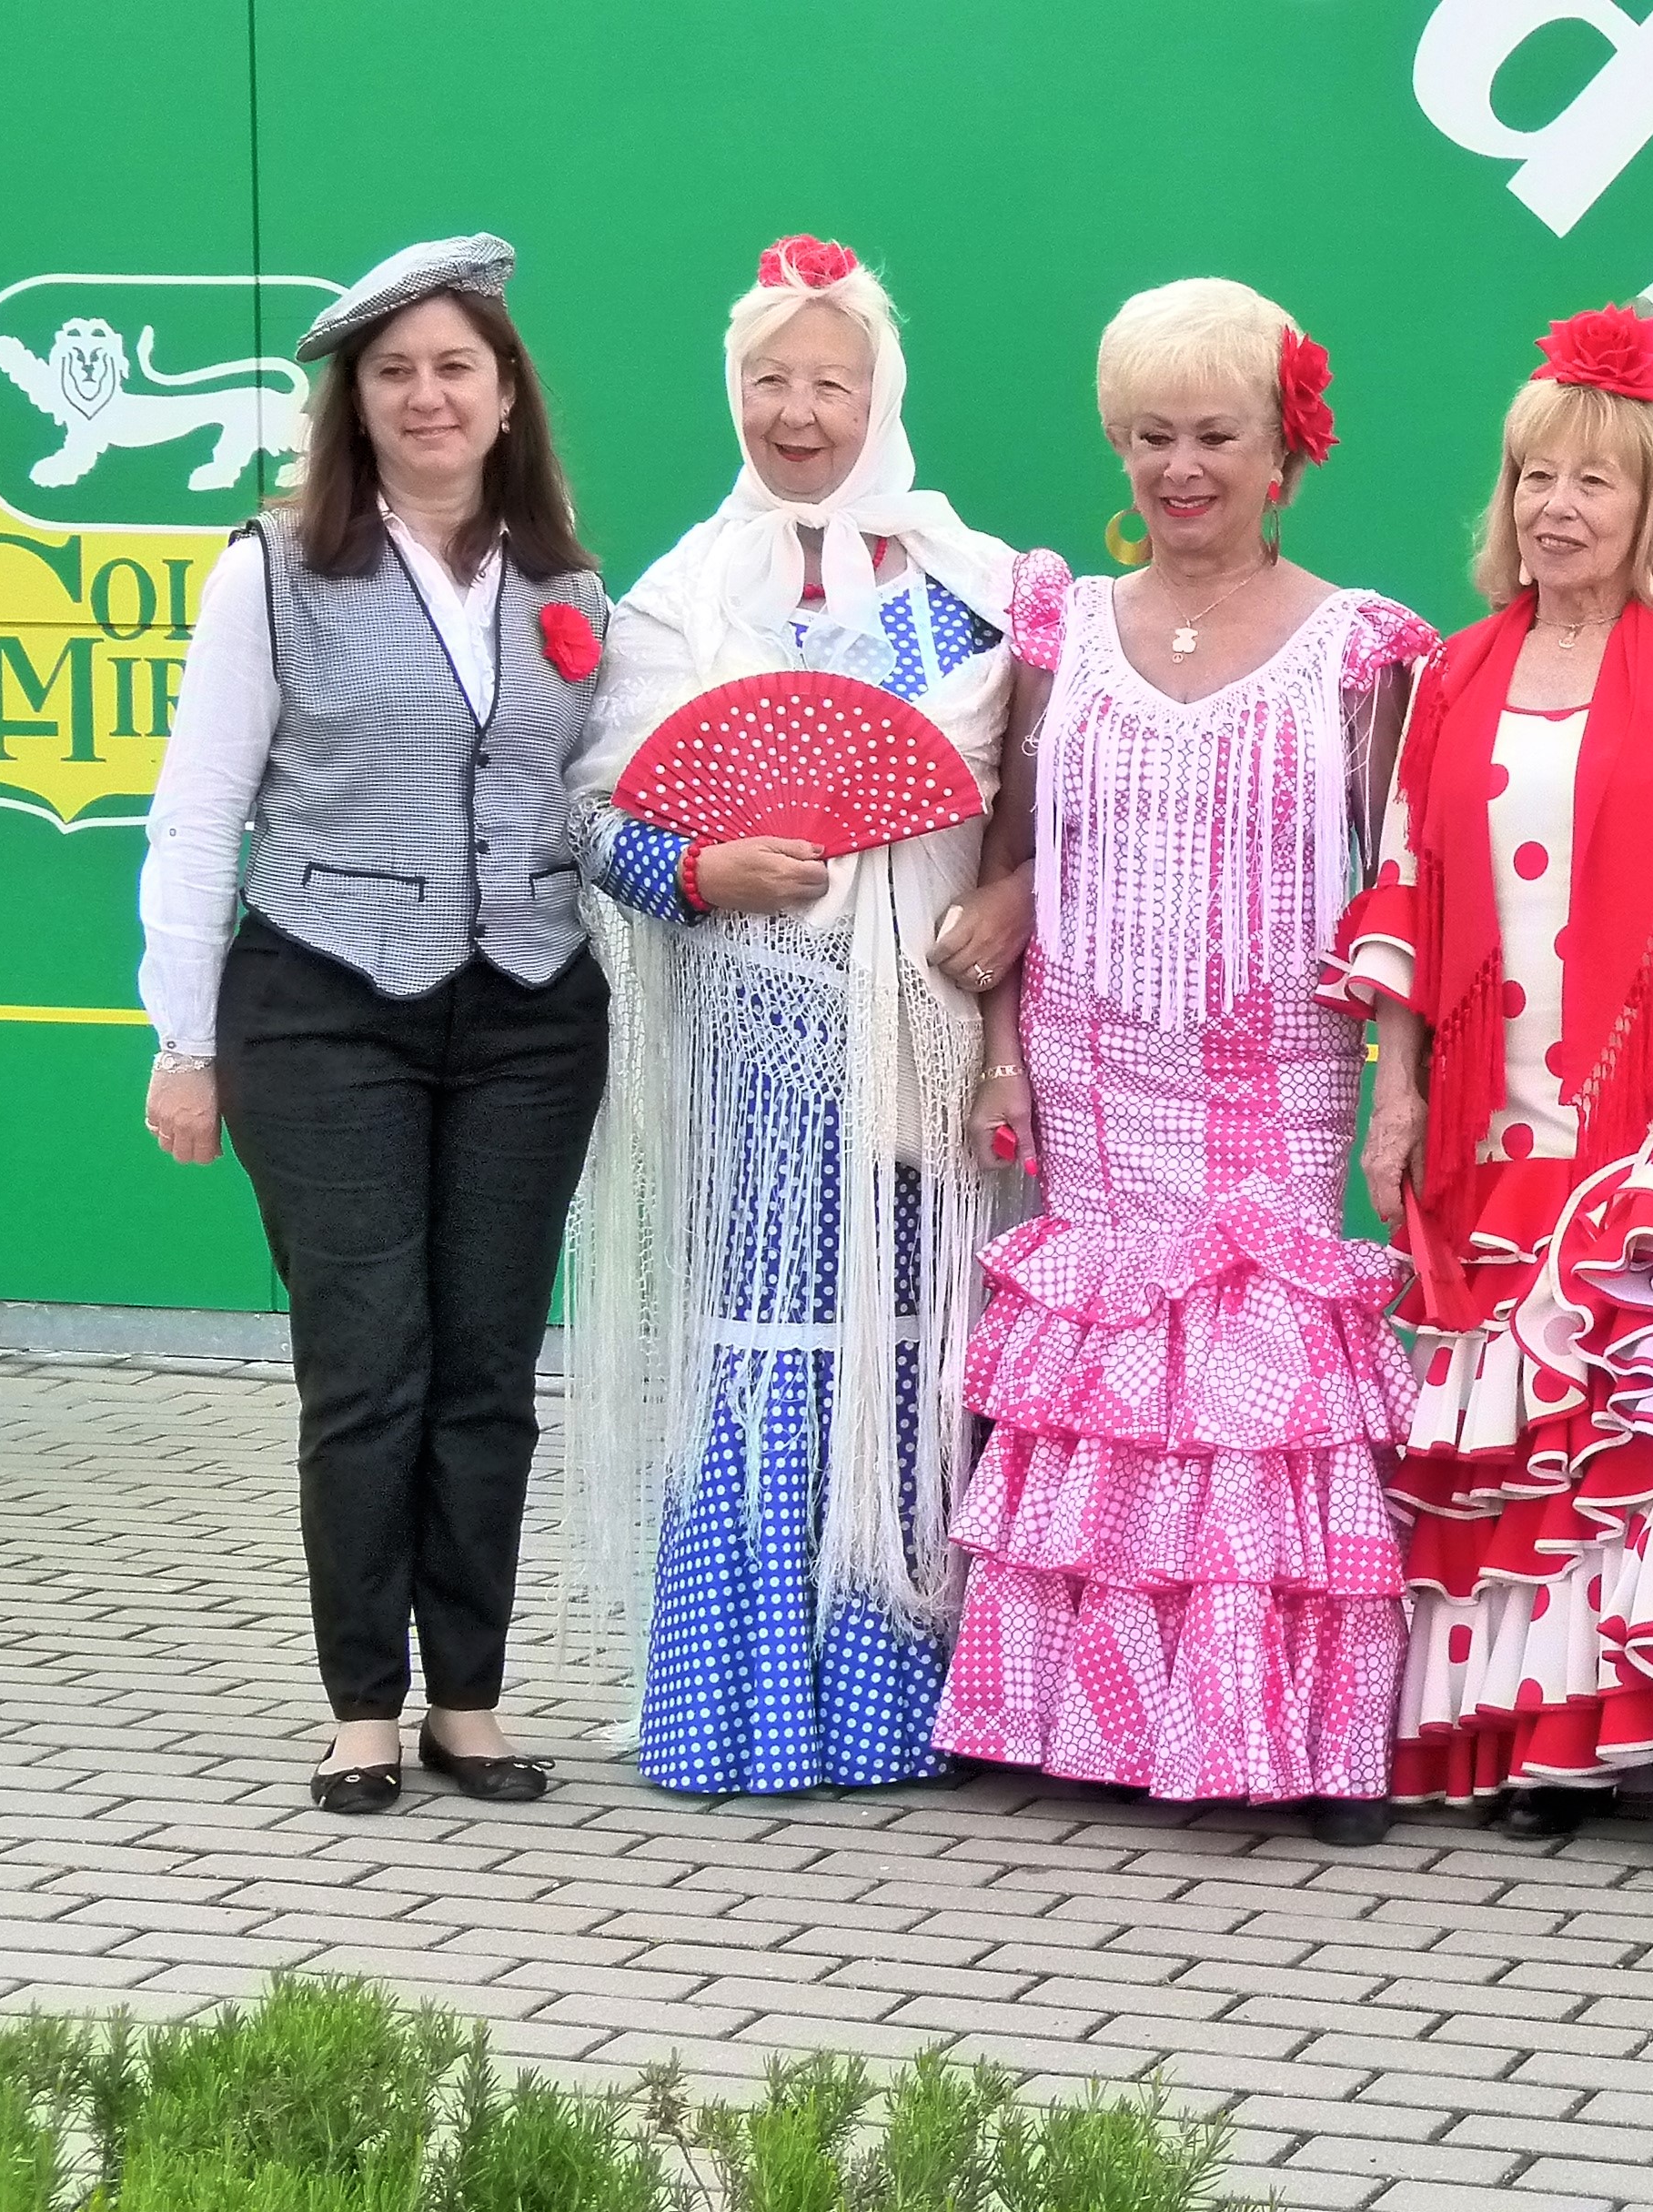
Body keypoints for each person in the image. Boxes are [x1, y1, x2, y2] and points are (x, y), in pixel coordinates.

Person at [1322, 304, 1653, 1886]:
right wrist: (1397, 1091)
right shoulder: (1451, 673)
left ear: (1652, 507)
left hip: (1649, 1114)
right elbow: (1406, 885)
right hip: (1488, 1114)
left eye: (1593, 482)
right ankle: (1554, 1743)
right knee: (1524, 1441)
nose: (1557, 507)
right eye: (1534, 477)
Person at [927, 281, 1436, 1845]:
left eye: (1216, 435)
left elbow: (1404, 891)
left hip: (1281, 1066)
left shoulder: (1362, 649)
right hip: (1090, 1057)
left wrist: (1401, 1086)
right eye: (1151, 436)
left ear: (1286, 453)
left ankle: (1297, 1734)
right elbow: (1009, 857)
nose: (1182, 467)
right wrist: (1002, 1057)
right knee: (1106, 1388)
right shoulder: (1061, 625)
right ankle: (1084, 1723)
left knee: (1262, 1397)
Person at [134, 235, 613, 1814]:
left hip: (529, 1009)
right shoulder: (272, 570)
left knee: (487, 1366)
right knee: (367, 1366)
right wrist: (185, 1043)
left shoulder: (567, 583)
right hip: (326, 1004)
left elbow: (589, 796)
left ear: (506, 394)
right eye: (394, 372)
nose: (426, 396)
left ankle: (468, 1697)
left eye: (455, 367)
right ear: (354, 402)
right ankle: (360, 1706)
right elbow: (200, 812)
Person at [563, 236, 1030, 1796]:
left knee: (916, 1338)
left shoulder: (979, 588)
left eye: (832, 381)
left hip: (921, 1027)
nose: (798, 412)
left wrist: (1009, 898)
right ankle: (742, 1709)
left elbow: (1040, 802)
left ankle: (900, 1702)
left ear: (880, 397)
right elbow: (599, 820)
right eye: (769, 379)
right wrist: (700, 868)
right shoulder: (684, 597)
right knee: (763, 1342)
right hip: (755, 1049)